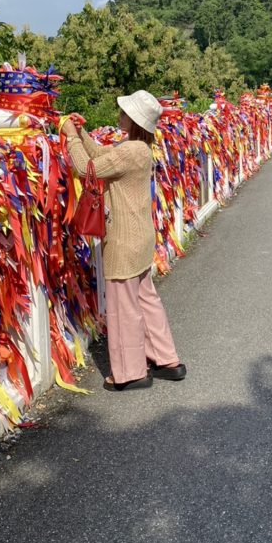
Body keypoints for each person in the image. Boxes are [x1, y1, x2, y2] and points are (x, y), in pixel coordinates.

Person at [62, 90, 186, 390]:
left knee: (123, 308)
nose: (119, 115)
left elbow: (86, 169)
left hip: (123, 240)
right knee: (146, 300)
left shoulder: (130, 152)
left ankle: (130, 373)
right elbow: (103, 156)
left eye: (123, 112)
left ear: (133, 120)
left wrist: (70, 137)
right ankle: (166, 359)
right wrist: (83, 134)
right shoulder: (138, 148)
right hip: (140, 238)